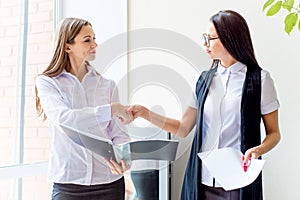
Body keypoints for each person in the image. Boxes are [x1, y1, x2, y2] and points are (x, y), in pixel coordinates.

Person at [128, 10, 281, 200]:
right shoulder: (203, 80)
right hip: (200, 179)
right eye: (205, 38)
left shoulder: (259, 80)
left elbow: (274, 133)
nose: (205, 44)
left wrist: (258, 150)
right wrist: (146, 113)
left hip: (238, 181)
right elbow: (183, 128)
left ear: (229, 39)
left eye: (210, 38)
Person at [35, 17, 131, 200]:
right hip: (69, 184)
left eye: (94, 38)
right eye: (87, 40)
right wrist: (110, 109)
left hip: (110, 183)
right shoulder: (48, 83)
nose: (95, 44)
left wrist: (124, 156)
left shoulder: (107, 85)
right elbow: (65, 119)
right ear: (67, 46)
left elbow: (118, 133)